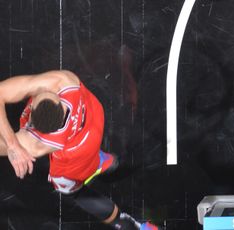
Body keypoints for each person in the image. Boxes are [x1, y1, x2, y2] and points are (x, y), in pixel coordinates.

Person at [0, 70, 158, 229]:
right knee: (91, 152)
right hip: (93, 119)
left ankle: (130, 226)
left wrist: (13, 145)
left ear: (32, 110)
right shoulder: (64, 81)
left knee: (75, 192)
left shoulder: (36, 143)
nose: (45, 89)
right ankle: (97, 160)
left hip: (76, 158)